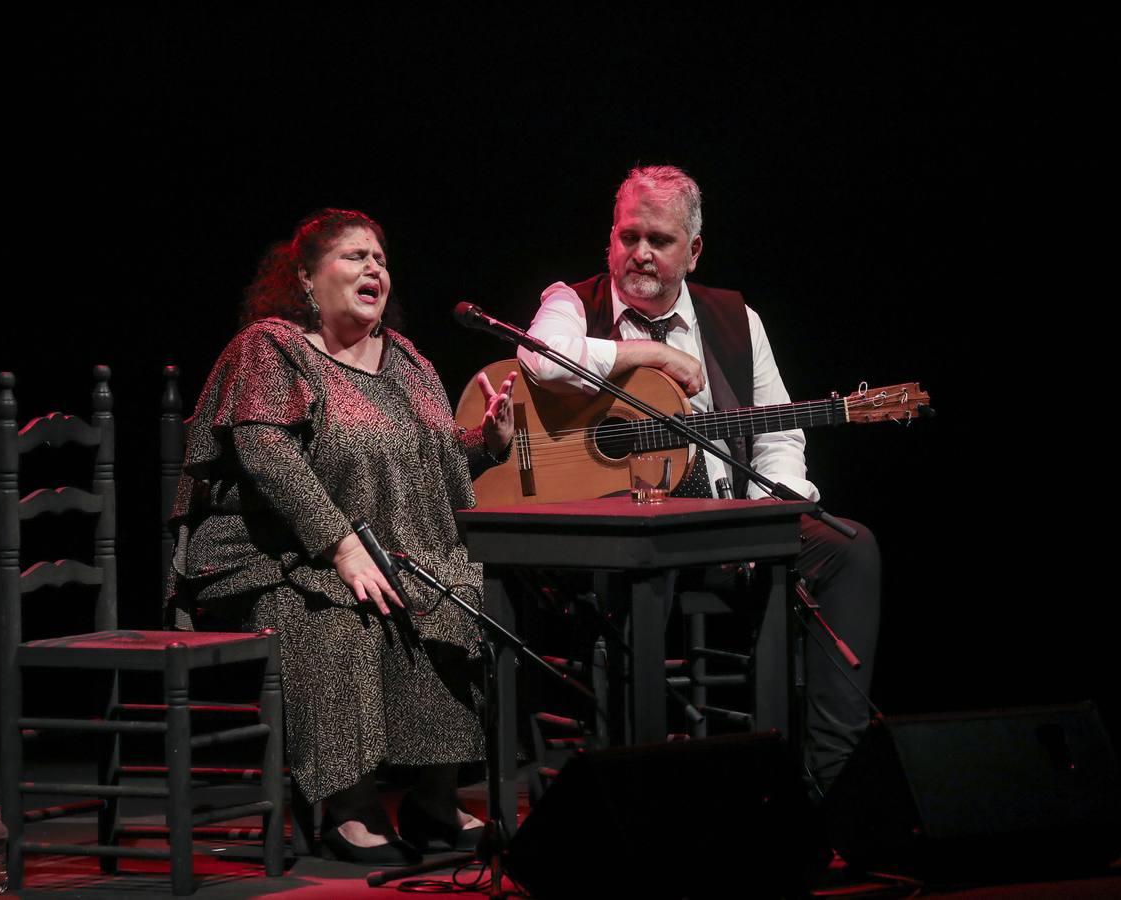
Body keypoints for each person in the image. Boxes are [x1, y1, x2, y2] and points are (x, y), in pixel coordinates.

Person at [516, 166, 880, 795]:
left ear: (694, 249)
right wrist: (652, 355)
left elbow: (778, 433)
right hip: (619, 539)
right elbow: (539, 357)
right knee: (634, 574)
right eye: (629, 236)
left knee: (851, 549)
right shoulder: (572, 301)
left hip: (726, 528)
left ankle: (832, 779)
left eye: (659, 240)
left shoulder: (737, 320)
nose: (641, 254)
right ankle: (641, 791)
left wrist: (772, 509)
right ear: (609, 238)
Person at [167, 208, 517, 863]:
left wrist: (485, 446)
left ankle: (434, 802)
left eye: (380, 259)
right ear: (306, 279)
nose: (373, 269)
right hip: (272, 554)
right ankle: (348, 808)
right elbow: (264, 449)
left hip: (387, 551)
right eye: (355, 257)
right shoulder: (273, 348)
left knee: (452, 596)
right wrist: (341, 545)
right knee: (336, 610)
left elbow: (423, 463)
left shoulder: (409, 362)